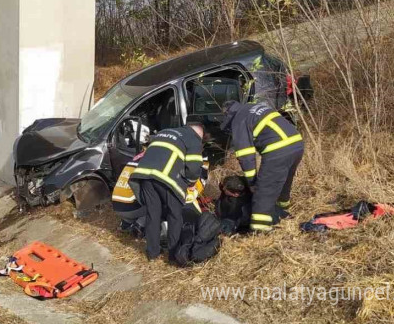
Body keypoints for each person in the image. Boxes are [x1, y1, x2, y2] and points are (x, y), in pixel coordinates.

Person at [221, 101, 305, 232]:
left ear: (228, 115)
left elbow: (245, 156)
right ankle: (281, 211)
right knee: (282, 183)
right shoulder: (251, 107)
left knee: (263, 193)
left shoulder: (238, 119)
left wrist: (252, 182)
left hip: (278, 149)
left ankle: (260, 231)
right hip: (296, 144)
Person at [127, 123, 205, 262]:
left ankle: (152, 253)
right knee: (175, 216)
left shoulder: (164, 131)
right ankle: (173, 255)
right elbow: (193, 169)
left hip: (144, 176)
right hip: (166, 179)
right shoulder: (193, 139)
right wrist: (191, 184)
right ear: (198, 134)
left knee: (152, 215)